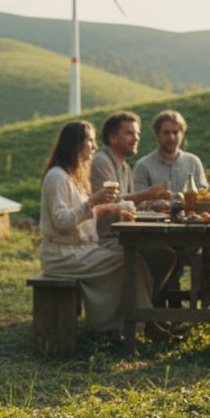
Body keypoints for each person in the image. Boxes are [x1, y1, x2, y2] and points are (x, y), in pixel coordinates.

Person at [39, 121, 157, 335]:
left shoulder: (73, 176)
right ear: (76, 144)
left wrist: (106, 208)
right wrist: (92, 202)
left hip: (80, 250)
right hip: (61, 255)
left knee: (136, 260)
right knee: (128, 261)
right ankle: (138, 325)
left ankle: (135, 323)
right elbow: (60, 222)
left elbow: (81, 218)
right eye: (90, 141)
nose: (94, 146)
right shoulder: (57, 176)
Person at [89, 112, 176, 298]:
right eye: (129, 133)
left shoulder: (125, 167)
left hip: (123, 236)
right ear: (113, 137)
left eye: (137, 134)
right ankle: (137, 308)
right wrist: (145, 194)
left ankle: (144, 306)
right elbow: (108, 204)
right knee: (161, 254)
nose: (136, 138)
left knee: (167, 252)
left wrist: (151, 205)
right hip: (104, 239)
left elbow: (128, 205)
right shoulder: (101, 161)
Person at [132, 110, 209, 301]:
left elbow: (204, 197)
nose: (171, 137)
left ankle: (201, 302)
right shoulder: (143, 165)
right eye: (166, 133)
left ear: (182, 133)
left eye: (176, 132)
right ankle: (164, 306)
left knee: (206, 252)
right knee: (168, 254)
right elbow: (138, 203)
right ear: (157, 134)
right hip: (157, 235)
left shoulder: (193, 162)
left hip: (191, 233)